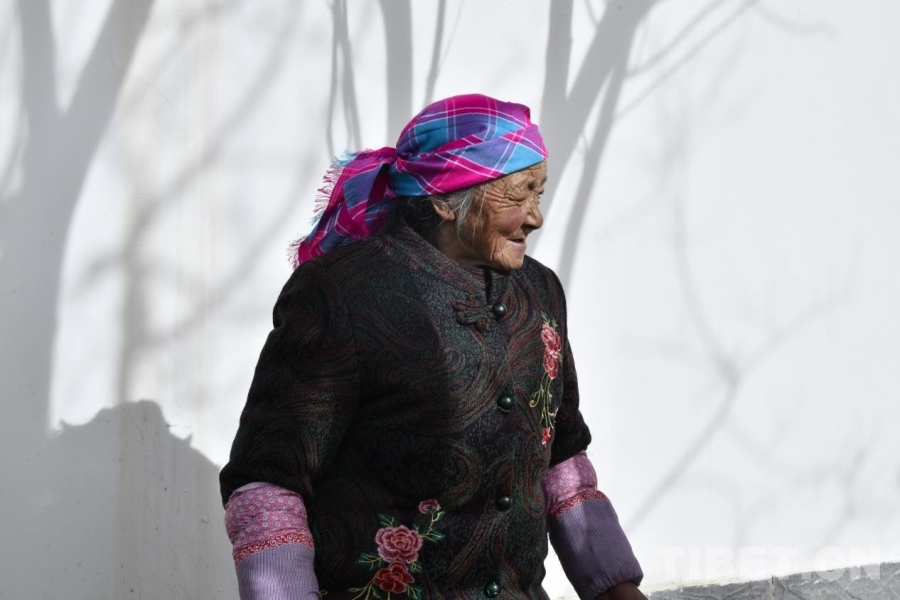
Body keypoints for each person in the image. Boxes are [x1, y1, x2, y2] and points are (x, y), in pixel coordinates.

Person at [220, 94, 646, 600]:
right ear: (445, 200)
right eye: (519, 195)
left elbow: (561, 454)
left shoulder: (539, 292)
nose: (536, 217)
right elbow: (270, 482)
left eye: (540, 191)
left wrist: (615, 587)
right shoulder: (344, 294)